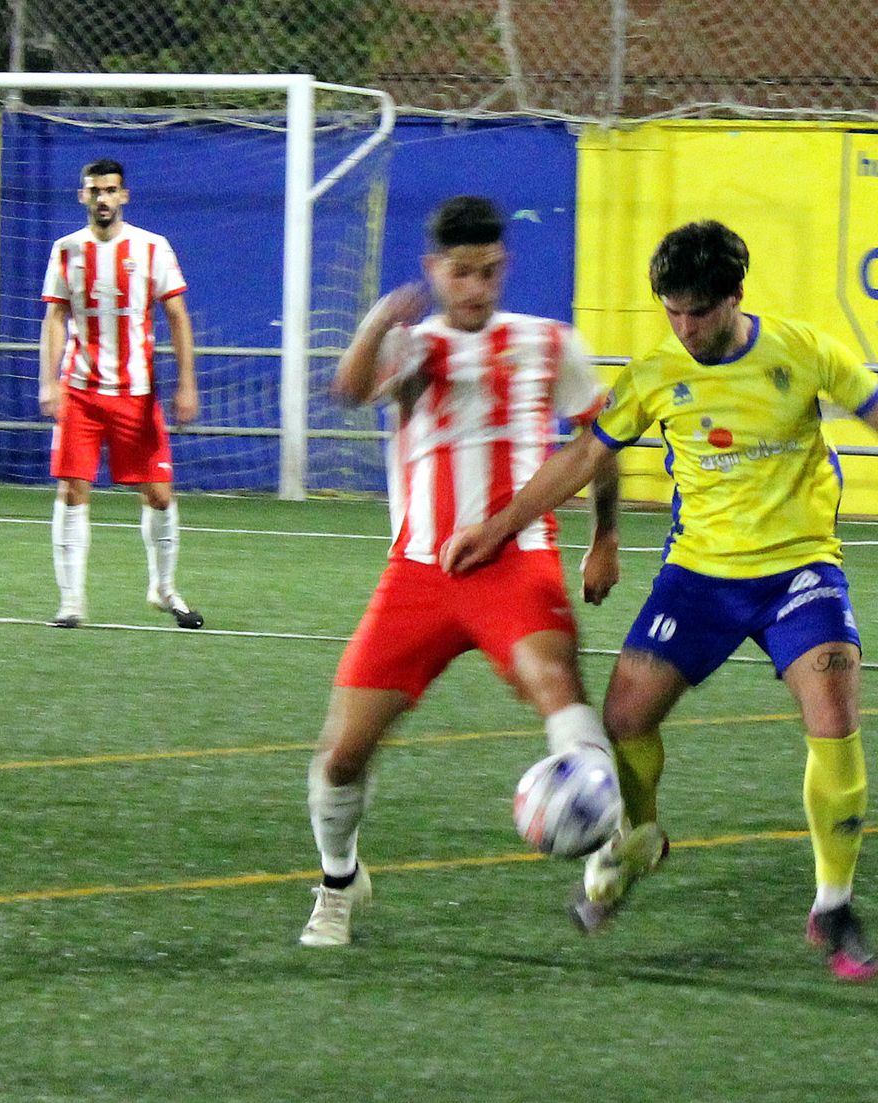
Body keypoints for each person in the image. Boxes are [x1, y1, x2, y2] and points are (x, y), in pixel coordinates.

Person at [442, 219, 878, 981]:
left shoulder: (803, 350)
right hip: (699, 575)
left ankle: (834, 904)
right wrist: (501, 529)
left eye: (699, 310)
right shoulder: (657, 371)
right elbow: (589, 452)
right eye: (671, 310)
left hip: (799, 570)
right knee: (626, 716)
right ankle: (640, 839)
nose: (685, 327)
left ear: (735, 297)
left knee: (832, 707)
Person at [299, 195, 622, 947]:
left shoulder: (549, 342)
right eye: (460, 273)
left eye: (488, 271)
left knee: (557, 688)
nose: (475, 288)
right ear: (434, 270)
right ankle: (340, 881)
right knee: (343, 755)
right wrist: (380, 322)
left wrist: (605, 536)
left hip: (517, 562)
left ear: (504, 265)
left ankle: (605, 829)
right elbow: (347, 391)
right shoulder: (414, 348)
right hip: (417, 575)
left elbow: (600, 439)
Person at [40, 158, 203, 629]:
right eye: (95, 191)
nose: (103, 198)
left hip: (137, 392)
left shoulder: (153, 248)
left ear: (124, 196)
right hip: (82, 392)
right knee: (72, 490)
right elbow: (54, 318)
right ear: (82, 196)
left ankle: (164, 588)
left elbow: (177, 316)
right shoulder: (67, 250)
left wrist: (187, 383)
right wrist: (49, 381)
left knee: (159, 493)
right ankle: (71, 601)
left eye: (111, 191)